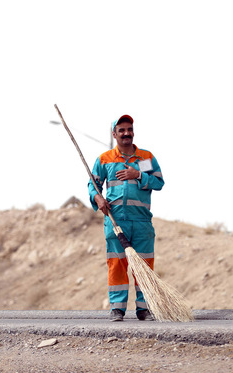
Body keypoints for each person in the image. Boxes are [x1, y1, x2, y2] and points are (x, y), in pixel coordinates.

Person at [88, 114, 164, 321]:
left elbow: (158, 183)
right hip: (115, 221)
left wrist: (138, 175)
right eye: (121, 130)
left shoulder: (145, 158)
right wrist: (98, 199)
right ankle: (117, 309)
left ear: (133, 131)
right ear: (114, 134)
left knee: (145, 266)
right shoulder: (105, 159)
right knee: (117, 264)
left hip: (142, 222)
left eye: (129, 129)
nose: (126, 133)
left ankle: (144, 309)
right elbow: (92, 185)